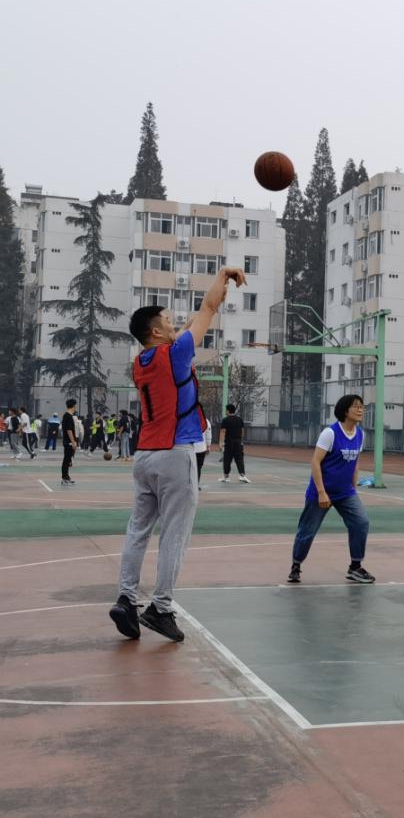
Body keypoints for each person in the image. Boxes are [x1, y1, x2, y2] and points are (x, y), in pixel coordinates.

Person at [108, 265, 246, 643]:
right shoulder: (176, 353)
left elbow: (193, 320)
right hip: (175, 453)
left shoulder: (141, 363)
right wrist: (223, 275)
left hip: (145, 455)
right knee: (174, 535)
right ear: (155, 332)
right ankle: (161, 607)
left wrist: (205, 305)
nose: (173, 325)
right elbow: (207, 309)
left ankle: (126, 598)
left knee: (137, 530)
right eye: (167, 321)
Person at [288, 394, 375, 585]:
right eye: (356, 406)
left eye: (362, 407)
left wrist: (353, 489)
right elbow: (315, 462)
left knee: (361, 522)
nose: (360, 410)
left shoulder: (360, 435)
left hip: (345, 492)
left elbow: (355, 463)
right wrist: (321, 492)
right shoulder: (330, 433)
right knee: (307, 530)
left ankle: (355, 567)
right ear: (345, 410)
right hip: (321, 492)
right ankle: (296, 565)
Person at [218, 404, 250, 483]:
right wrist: (240, 440)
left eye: (226, 410)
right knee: (239, 459)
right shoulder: (239, 419)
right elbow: (242, 431)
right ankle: (242, 476)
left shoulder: (225, 420)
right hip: (238, 442)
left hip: (229, 442)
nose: (226, 412)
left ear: (228, 411)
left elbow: (223, 431)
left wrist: (221, 443)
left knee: (227, 459)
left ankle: (226, 477)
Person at [60, 400, 79, 485]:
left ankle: (66, 477)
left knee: (68, 460)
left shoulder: (68, 416)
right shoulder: (67, 416)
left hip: (69, 441)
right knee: (66, 460)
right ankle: (64, 479)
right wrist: (73, 441)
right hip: (68, 442)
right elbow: (69, 430)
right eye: (75, 406)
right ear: (73, 406)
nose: (76, 408)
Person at [193, 418, 211, 490]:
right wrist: (208, 445)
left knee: (189, 467)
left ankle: (189, 484)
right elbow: (208, 433)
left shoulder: (187, 418)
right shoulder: (205, 420)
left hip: (189, 447)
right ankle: (196, 484)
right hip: (201, 448)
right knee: (198, 467)